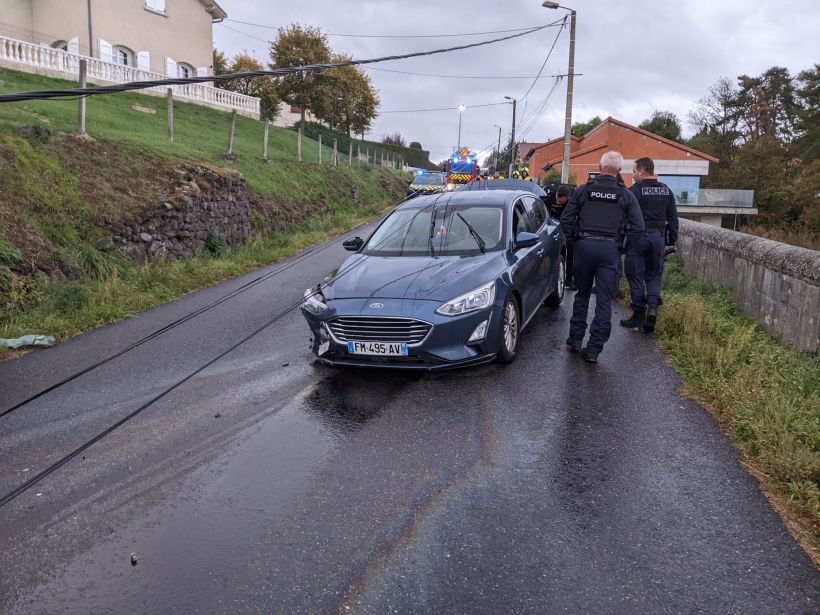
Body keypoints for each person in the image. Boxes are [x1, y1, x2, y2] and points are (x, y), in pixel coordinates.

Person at [560, 151, 644, 362]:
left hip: (585, 247)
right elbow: (638, 227)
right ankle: (594, 349)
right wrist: (623, 248)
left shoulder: (583, 190)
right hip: (610, 251)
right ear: (619, 170)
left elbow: (566, 219)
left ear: (599, 166)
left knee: (582, 295)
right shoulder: (626, 195)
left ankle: (576, 339)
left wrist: (576, 241)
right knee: (604, 301)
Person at [620, 156, 678, 333]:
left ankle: (638, 315)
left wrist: (620, 239)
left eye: (635, 171)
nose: (633, 175)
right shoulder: (666, 191)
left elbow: (622, 217)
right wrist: (670, 241)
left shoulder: (633, 192)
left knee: (635, 274)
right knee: (653, 275)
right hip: (658, 238)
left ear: (642, 171)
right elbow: (673, 219)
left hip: (638, 238)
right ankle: (652, 308)